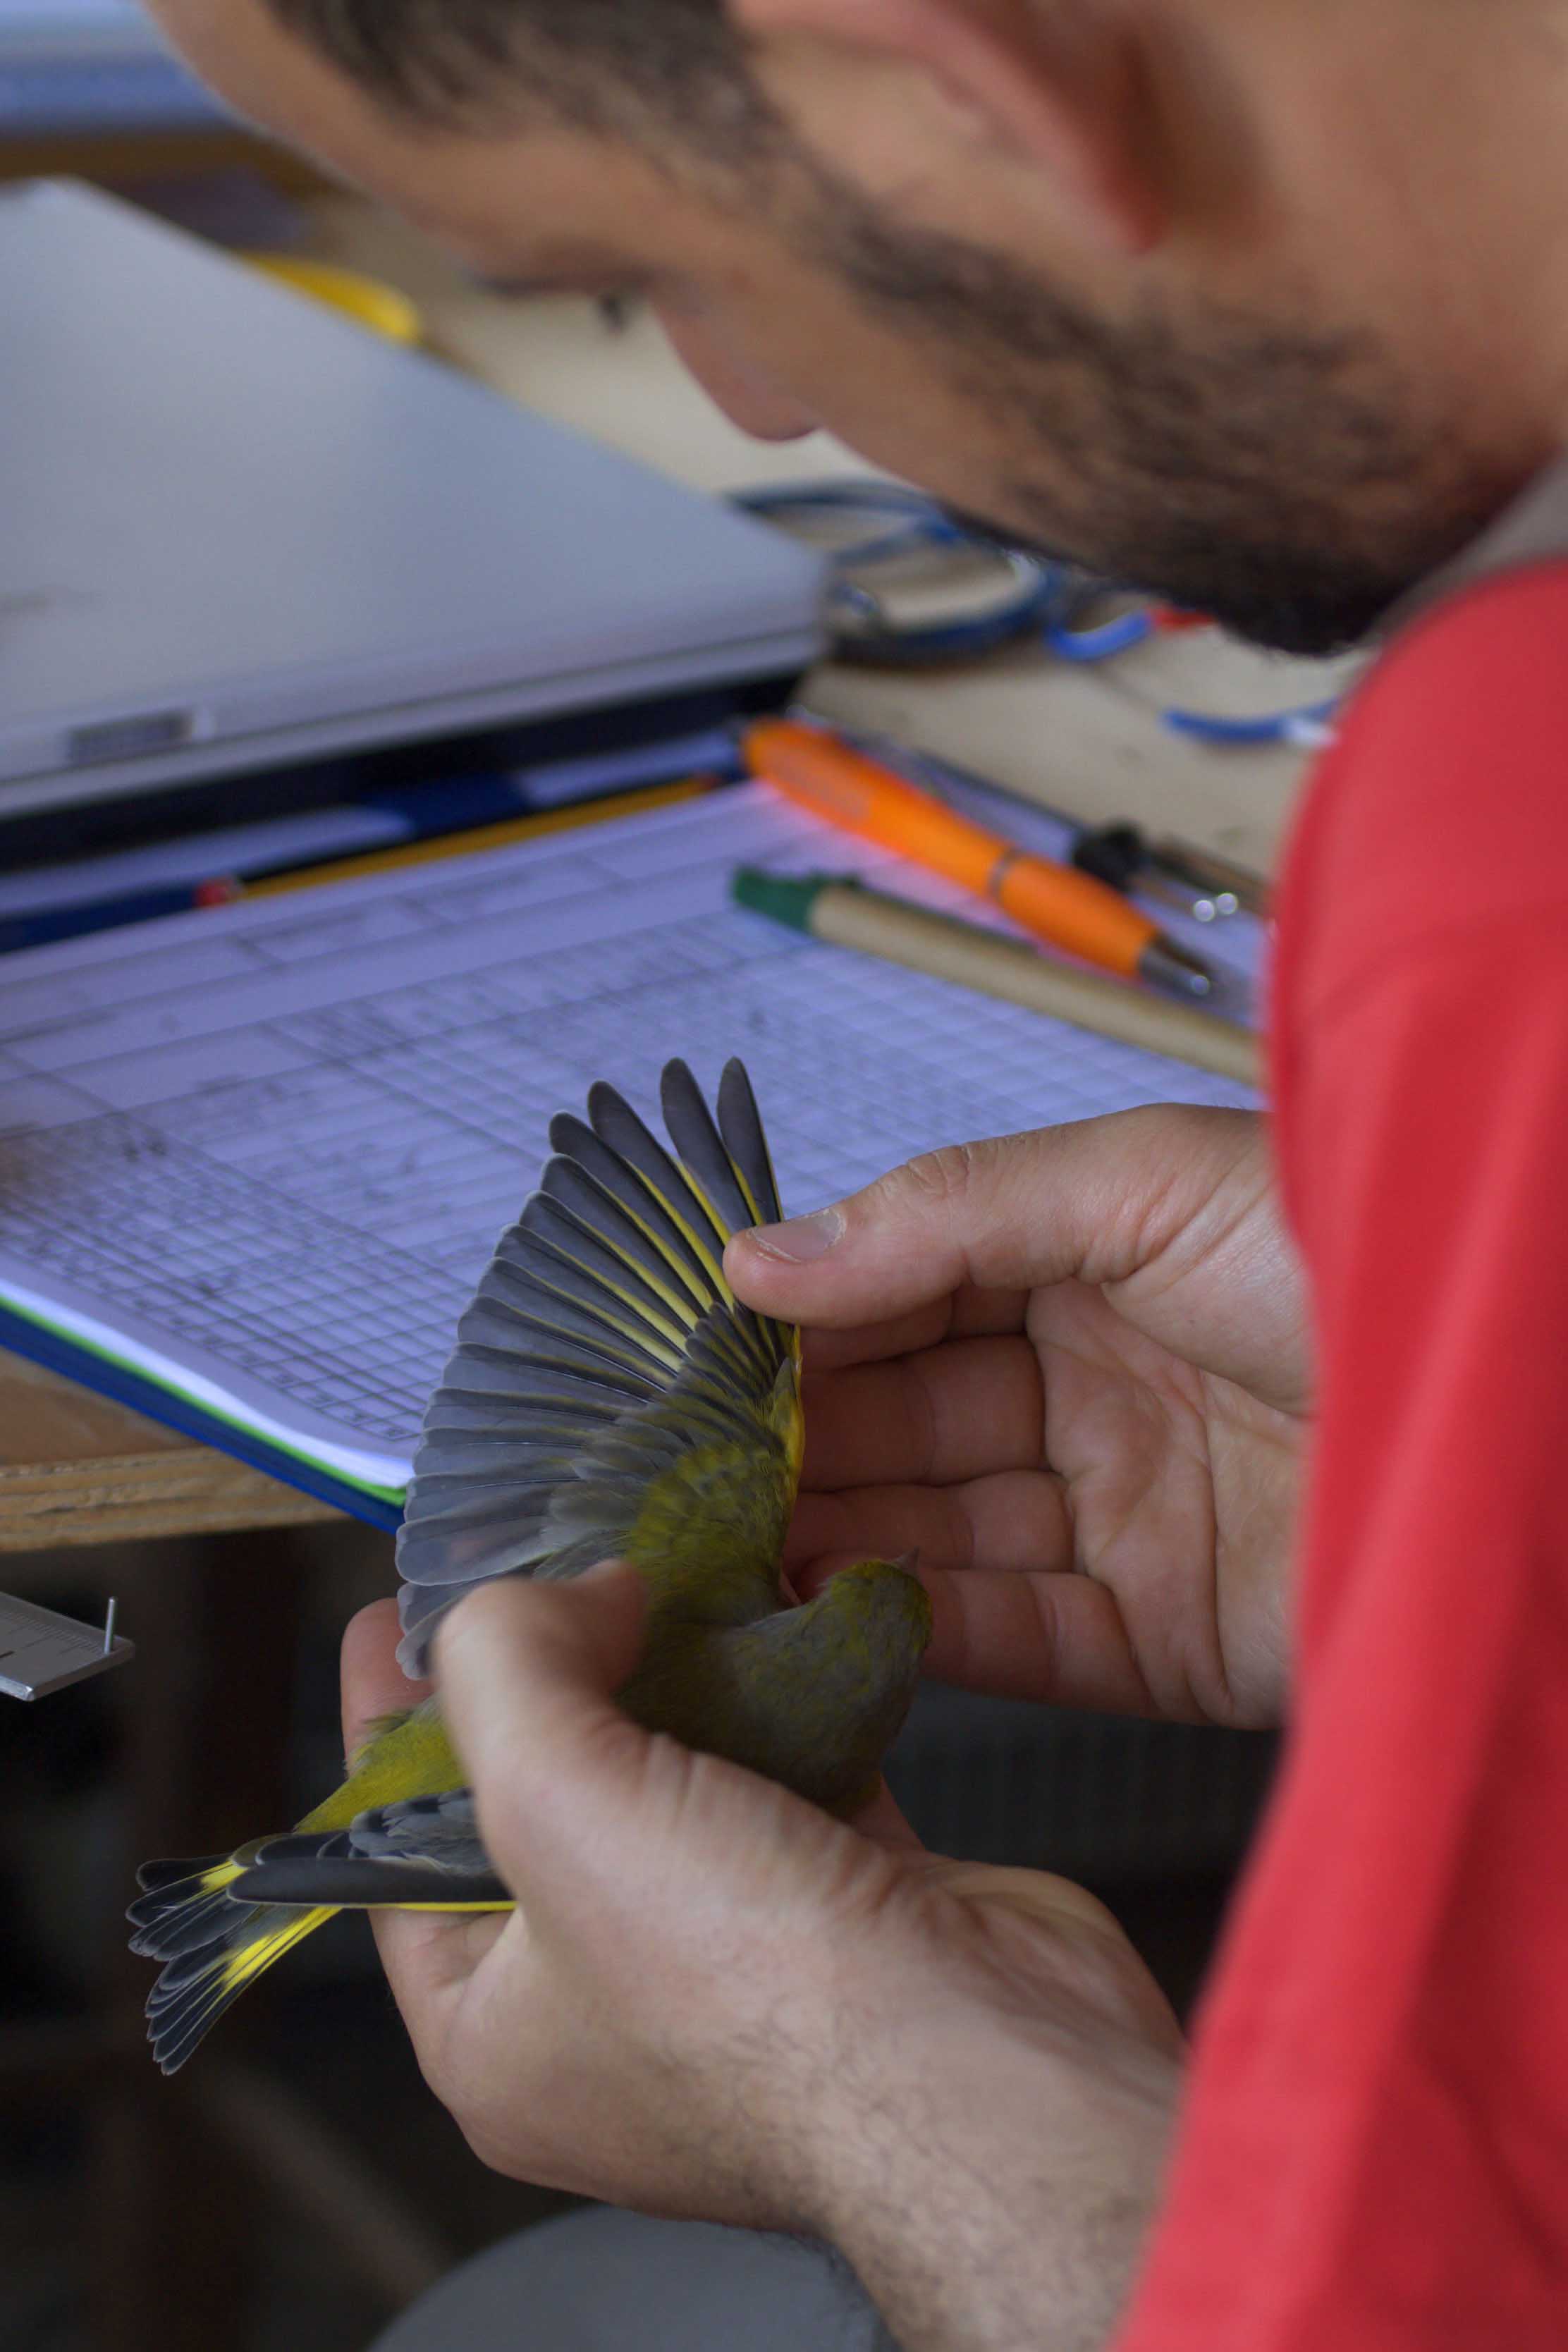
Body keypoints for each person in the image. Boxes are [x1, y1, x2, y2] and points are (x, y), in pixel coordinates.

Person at [144, 2, 1568, 2345]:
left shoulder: (1512, 828)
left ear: (950, 74)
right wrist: (1474, 1458)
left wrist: (873, 2089)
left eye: (645, 276)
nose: (754, 410)